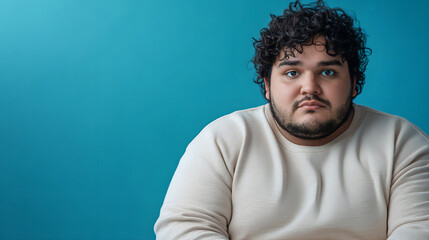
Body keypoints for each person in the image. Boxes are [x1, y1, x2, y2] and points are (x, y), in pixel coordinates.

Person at [154, 0, 429, 239]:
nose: (309, 87)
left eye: (328, 72)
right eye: (292, 72)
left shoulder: (402, 143)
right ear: (267, 85)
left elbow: (420, 229)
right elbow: (184, 229)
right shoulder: (222, 141)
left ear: (355, 82)